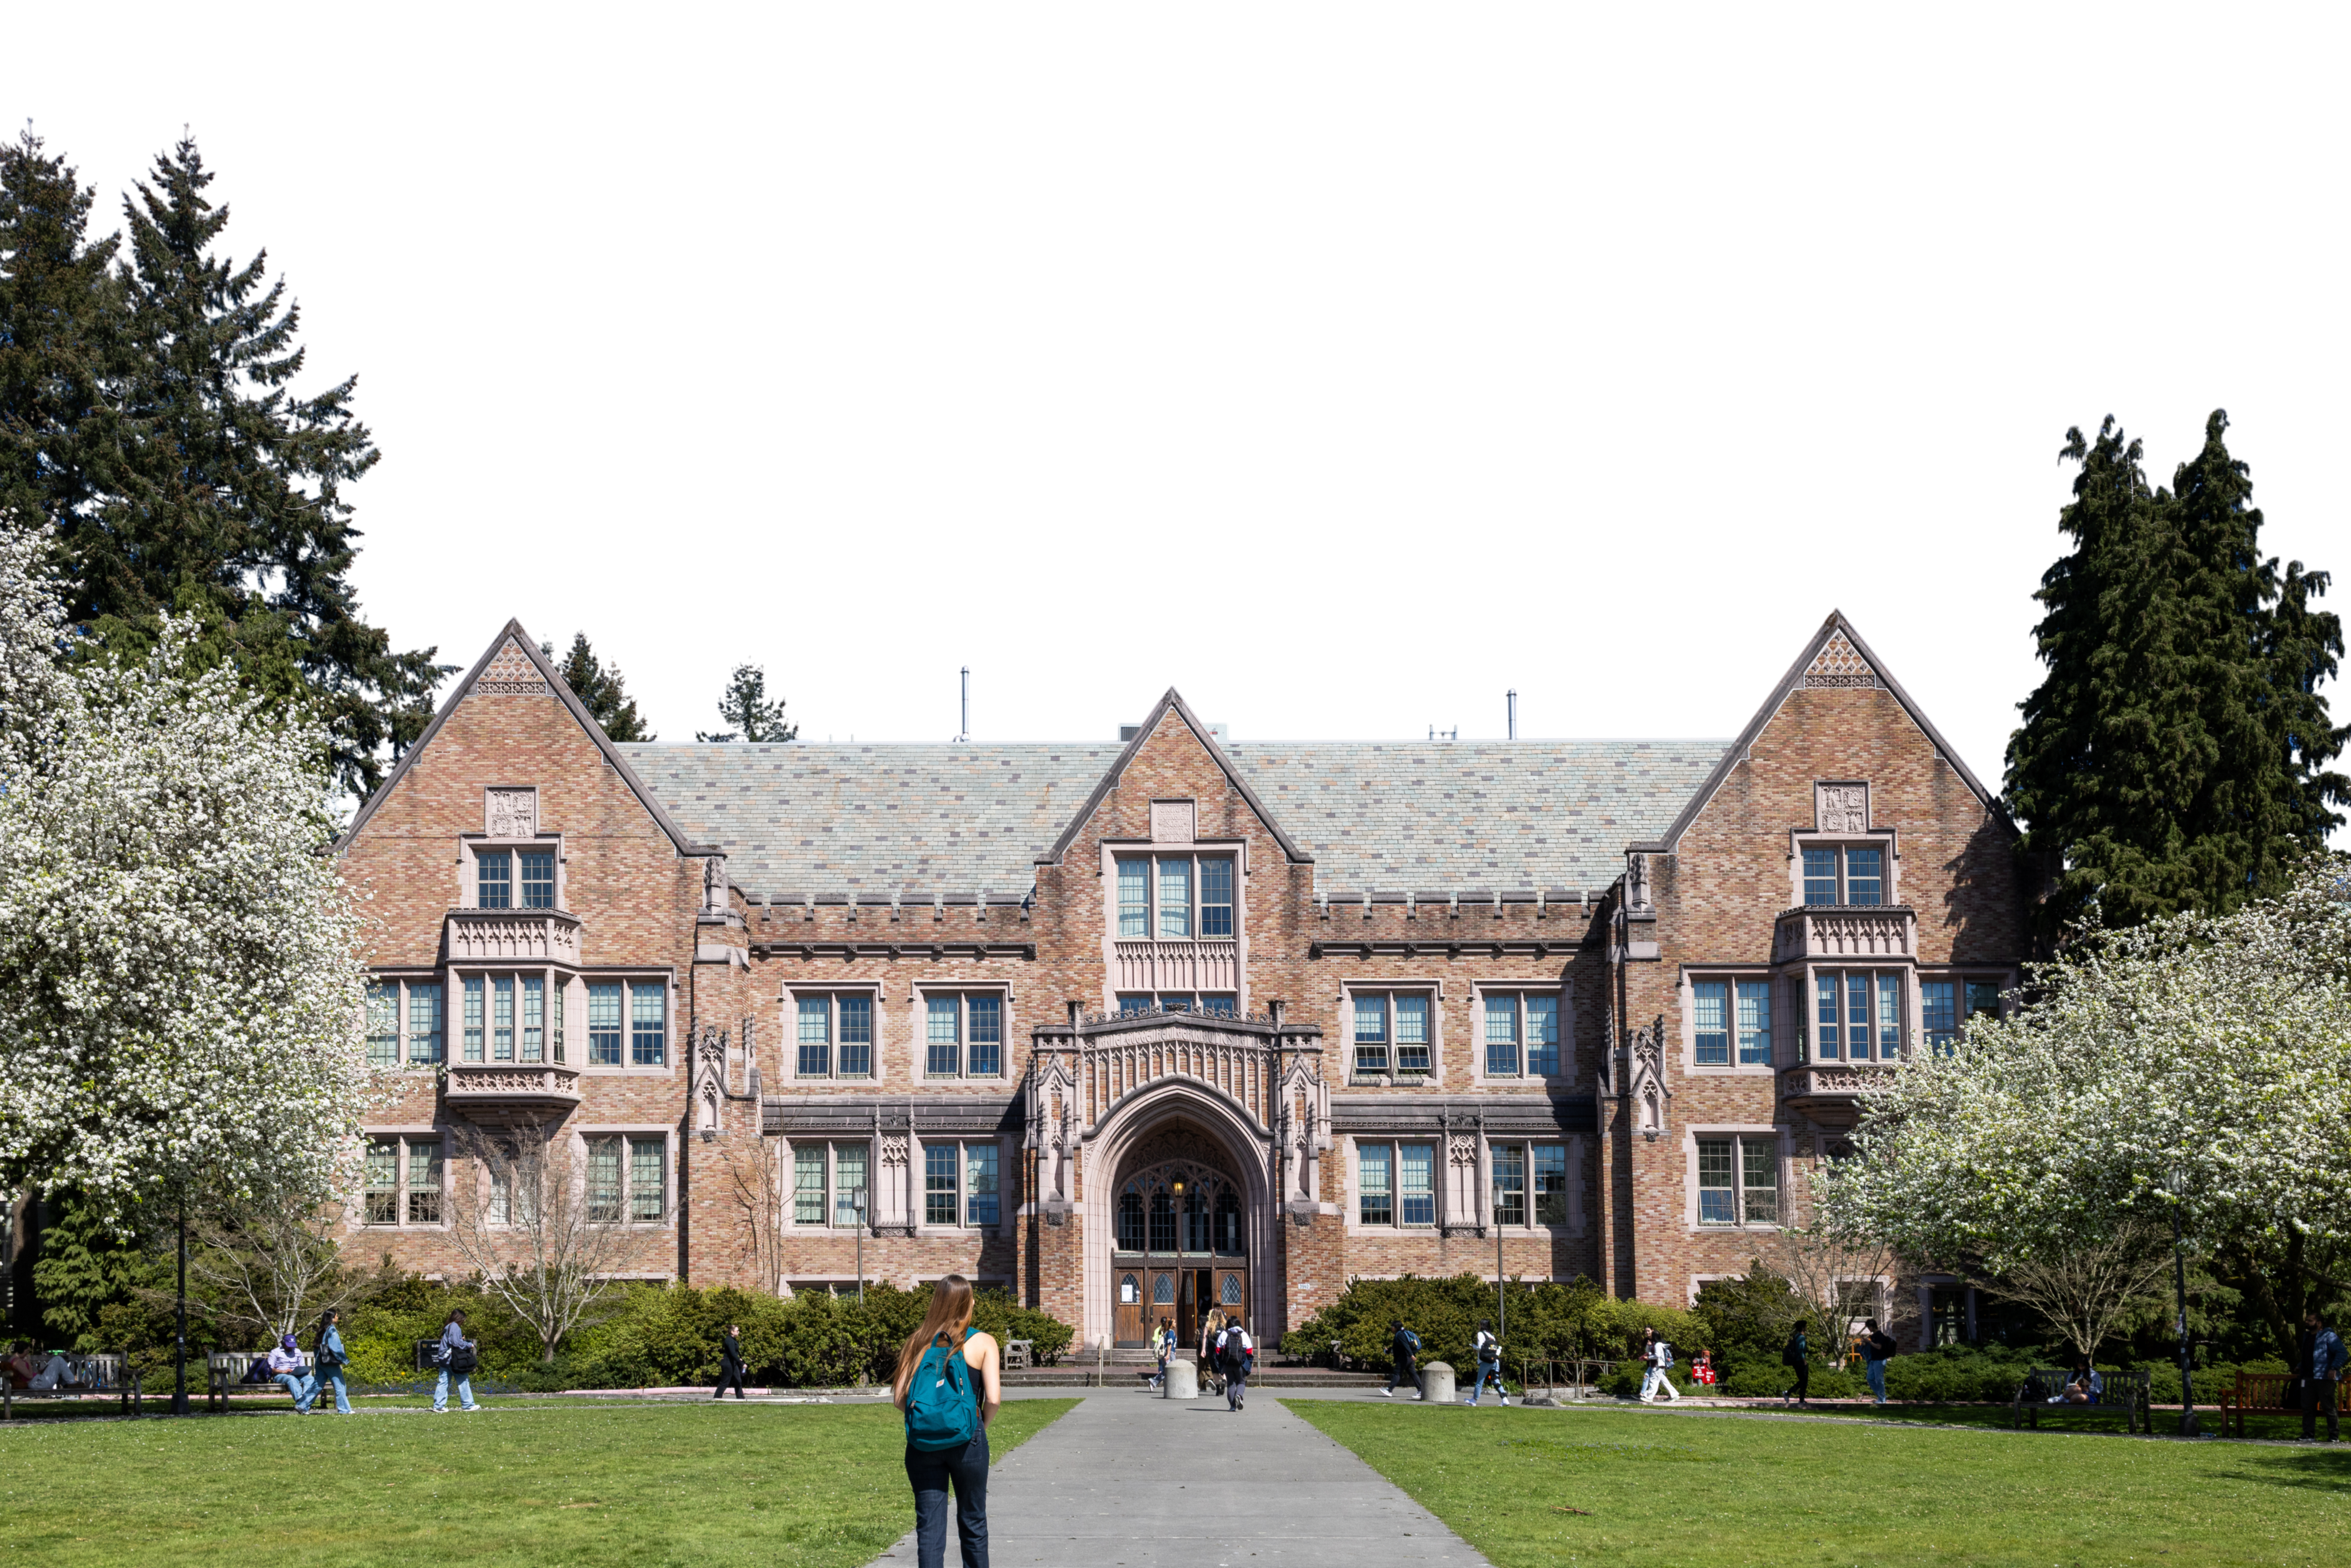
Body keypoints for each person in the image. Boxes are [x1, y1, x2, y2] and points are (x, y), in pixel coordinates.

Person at [892, 1273, 1001, 1568]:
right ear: (968, 1303)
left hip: (923, 1444)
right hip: (968, 1439)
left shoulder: (918, 1341)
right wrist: (978, 1426)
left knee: (929, 1527)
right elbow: (993, 1399)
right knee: (973, 1521)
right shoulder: (983, 1342)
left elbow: (899, 1398)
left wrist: (930, 1420)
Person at [2303, 1310, 2344, 1442]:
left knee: (2329, 1407)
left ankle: (2334, 1436)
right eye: (2307, 1320)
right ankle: (2308, 1435)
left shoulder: (2329, 1336)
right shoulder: (2307, 1336)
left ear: (2319, 1323)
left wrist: (2334, 1368)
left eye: (2310, 1321)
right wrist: (2300, 1365)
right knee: (2308, 1407)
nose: (2307, 1322)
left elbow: (2342, 1353)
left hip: (2325, 1378)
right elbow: (2309, 1355)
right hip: (2308, 1377)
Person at [433, 1308, 480, 1413]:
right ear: (460, 1319)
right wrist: (469, 1345)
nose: (463, 1322)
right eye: (463, 1320)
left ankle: (438, 1405)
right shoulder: (455, 1327)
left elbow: (452, 1341)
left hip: (444, 1359)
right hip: (453, 1359)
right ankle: (468, 1405)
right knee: (463, 1381)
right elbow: (456, 1343)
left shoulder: (449, 1327)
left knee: (443, 1382)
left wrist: (460, 1339)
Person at [312, 1308, 352, 1415]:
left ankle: (302, 1406)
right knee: (340, 1385)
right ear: (332, 1318)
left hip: (320, 1362)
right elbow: (335, 1348)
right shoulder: (332, 1330)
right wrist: (344, 1359)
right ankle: (344, 1410)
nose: (338, 1318)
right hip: (330, 1363)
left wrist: (318, 1361)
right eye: (336, 1316)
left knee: (317, 1385)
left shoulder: (321, 1330)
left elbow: (317, 1349)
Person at [267, 1333, 316, 1411]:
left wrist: (303, 1371)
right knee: (291, 1379)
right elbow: (270, 1369)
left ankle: (305, 1401)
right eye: (289, 1345)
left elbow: (302, 1366)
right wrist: (284, 1371)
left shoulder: (298, 1352)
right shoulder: (275, 1352)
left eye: (293, 1345)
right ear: (283, 1343)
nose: (291, 1347)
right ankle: (301, 1402)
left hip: (297, 1374)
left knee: (311, 1379)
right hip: (281, 1375)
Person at [1465, 1318, 1508, 1406]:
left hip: (1486, 1362)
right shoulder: (1492, 1336)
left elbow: (1480, 1348)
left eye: (1480, 1324)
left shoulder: (1481, 1334)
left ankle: (1474, 1401)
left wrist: (1474, 1347)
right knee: (1496, 1381)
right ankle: (1505, 1399)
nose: (1479, 1326)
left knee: (1480, 1382)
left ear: (1482, 1325)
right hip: (1495, 1361)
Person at [1216, 1313, 1254, 1411]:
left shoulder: (1224, 1334)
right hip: (1241, 1364)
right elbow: (1250, 1352)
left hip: (1228, 1364)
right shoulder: (1244, 1335)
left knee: (1231, 1384)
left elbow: (1218, 1352)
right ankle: (1239, 1395)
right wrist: (1248, 1365)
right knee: (1241, 1382)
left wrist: (1221, 1364)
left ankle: (1233, 1406)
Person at [1860, 1318, 1897, 1406]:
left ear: (1873, 1326)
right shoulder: (1873, 1336)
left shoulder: (1879, 1335)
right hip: (1873, 1361)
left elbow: (1879, 1347)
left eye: (1869, 1327)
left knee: (1879, 1380)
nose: (1869, 1329)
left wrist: (1869, 1342)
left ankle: (1882, 1399)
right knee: (1870, 1378)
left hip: (1880, 1361)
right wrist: (1866, 1343)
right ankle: (1882, 1396)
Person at [1384, 1320, 1422, 1397]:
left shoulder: (1400, 1335)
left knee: (1397, 1373)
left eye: (1392, 1326)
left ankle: (1389, 1390)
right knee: (1413, 1374)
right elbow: (1397, 1347)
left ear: (1396, 1328)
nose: (1391, 1328)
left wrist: (1411, 1355)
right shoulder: (1401, 1334)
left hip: (1405, 1358)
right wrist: (1388, 1351)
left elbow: (1406, 1345)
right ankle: (1421, 1391)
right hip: (1409, 1358)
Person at [1644, 1330, 1682, 1404]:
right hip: (1659, 1366)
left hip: (1658, 1366)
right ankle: (1674, 1395)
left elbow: (1657, 1356)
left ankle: (1649, 1397)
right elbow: (1649, 1352)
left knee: (1653, 1381)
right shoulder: (1656, 1344)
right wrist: (1648, 1346)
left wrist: (1649, 1358)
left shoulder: (1658, 1345)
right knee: (1664, 1382)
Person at [714, 1322, 750, 1400]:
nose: (739, 1332)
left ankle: (741, 1398)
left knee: (738, 1381)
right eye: (737, 1331)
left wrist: (740, 1360)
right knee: (725, 1382)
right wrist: (741, 1363)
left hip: (734, 1363)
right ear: (732, 1332)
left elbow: (736, 1353)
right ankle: (717, 1398)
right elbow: (733, 1353)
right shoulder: (729, 1340)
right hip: (728, 1363)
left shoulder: (733, 1340)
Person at [1781, 1319, 1810, 1407]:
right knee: (1804, 1381)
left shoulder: (1796, 1336)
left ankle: (1800, 1399)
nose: (1807, 1327)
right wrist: (1804, 1361)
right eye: (1806, 1326)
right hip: (1800, 1362)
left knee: (1803, 1381)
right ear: (1803, 1328)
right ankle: (1789, 1393)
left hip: (1795, 1362)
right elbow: (1800, 1350)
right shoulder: (1802, 1338)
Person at [1150, 1317, 1175, 1390]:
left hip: (1162, 1352)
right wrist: (1169, 1354)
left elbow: (1155, 1339)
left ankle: (1155, 1381)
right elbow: (1169, 1344)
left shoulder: (1162, 1330)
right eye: (1175, 1322)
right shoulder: (1171, 1332)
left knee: (1165, 1369)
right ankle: (1155, 1381)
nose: (1176, 1324)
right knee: (1171, 1369)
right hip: (1168, 1353)